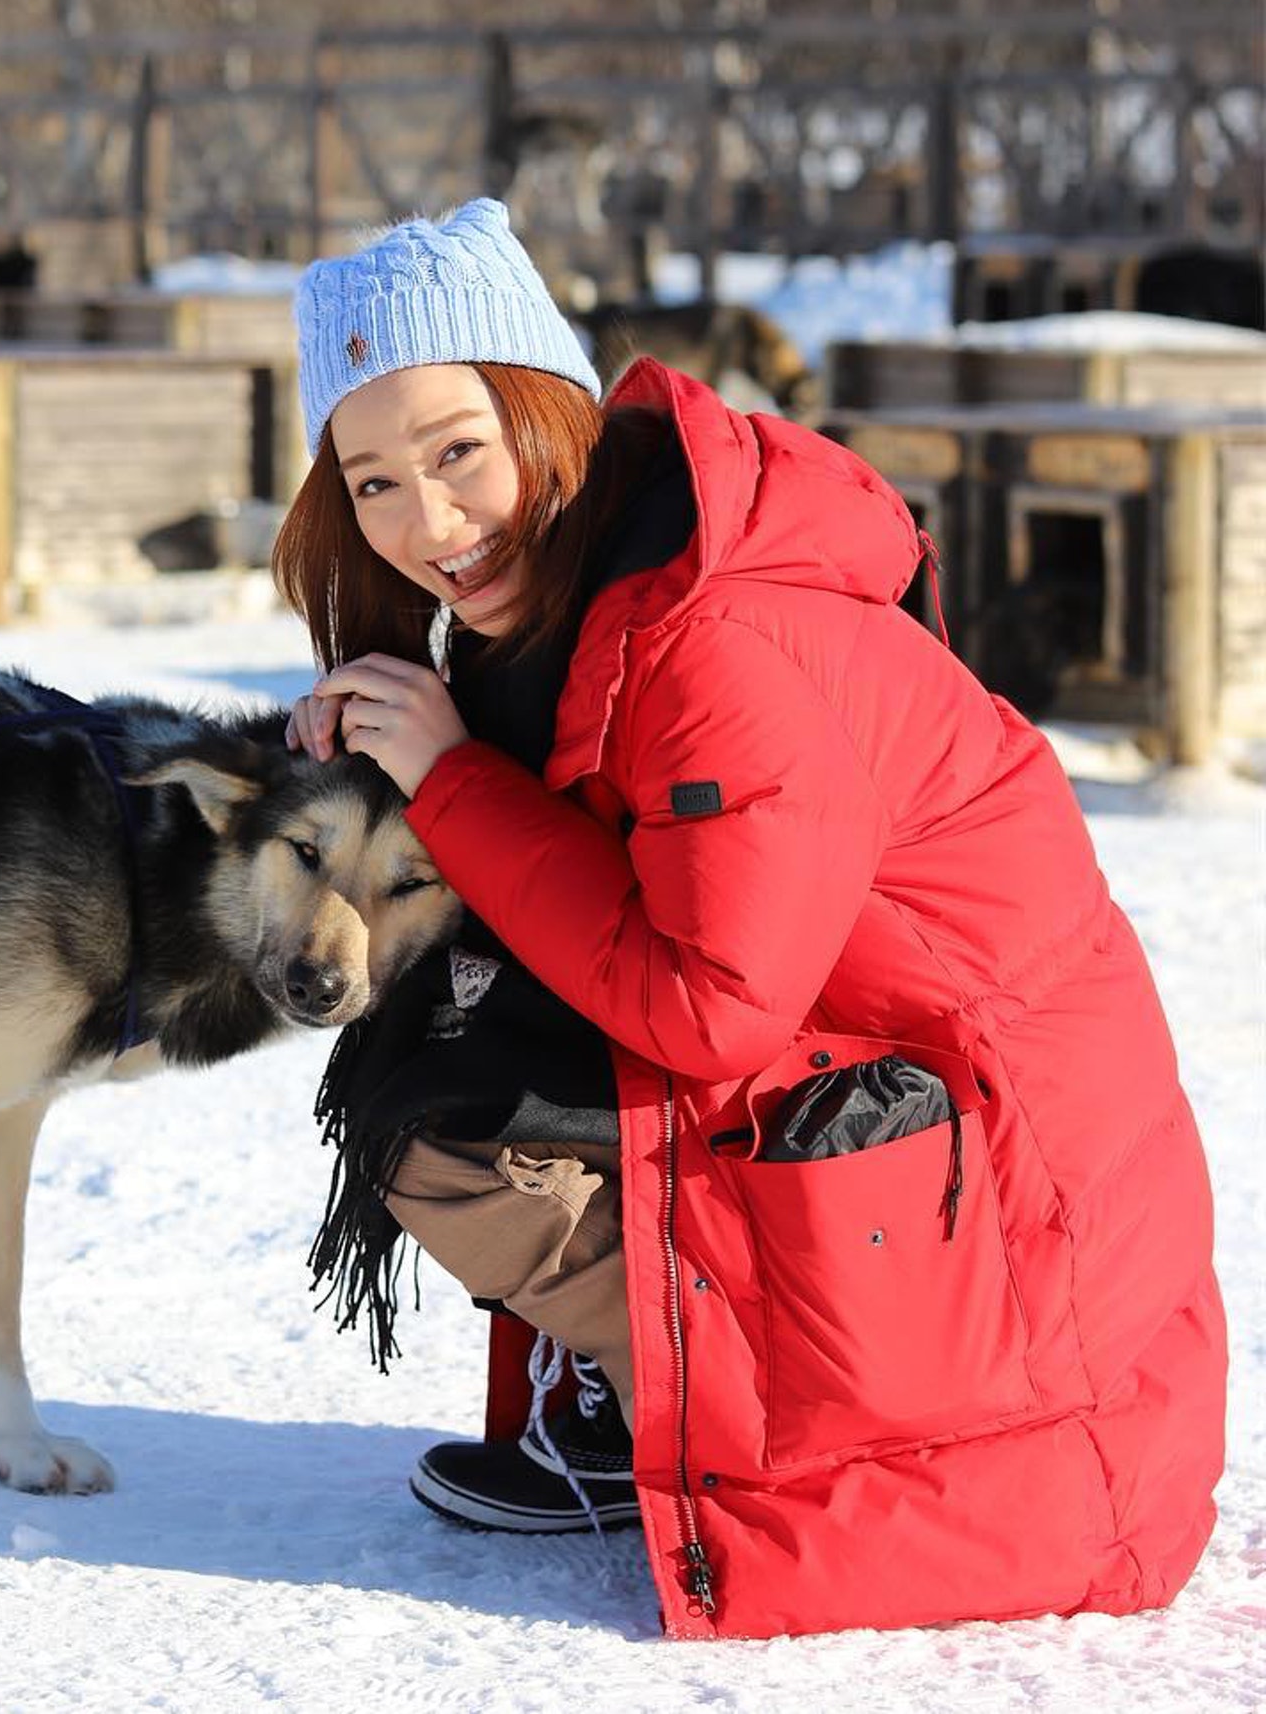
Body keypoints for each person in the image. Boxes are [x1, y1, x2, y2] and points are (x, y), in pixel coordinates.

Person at [271, 198, 1225, 1641]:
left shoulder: (714, 640)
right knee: (434, 1018)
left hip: (1017, 1261)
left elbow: (707, 1006)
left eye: (459, 450)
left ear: (549, 411)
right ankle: (636, 1395)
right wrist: (392, 768)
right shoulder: (593, 602)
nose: (429, 522)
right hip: (916, 1129)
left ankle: (658, 1396)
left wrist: (456, 777)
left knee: (442, 1116)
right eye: (375, 483)